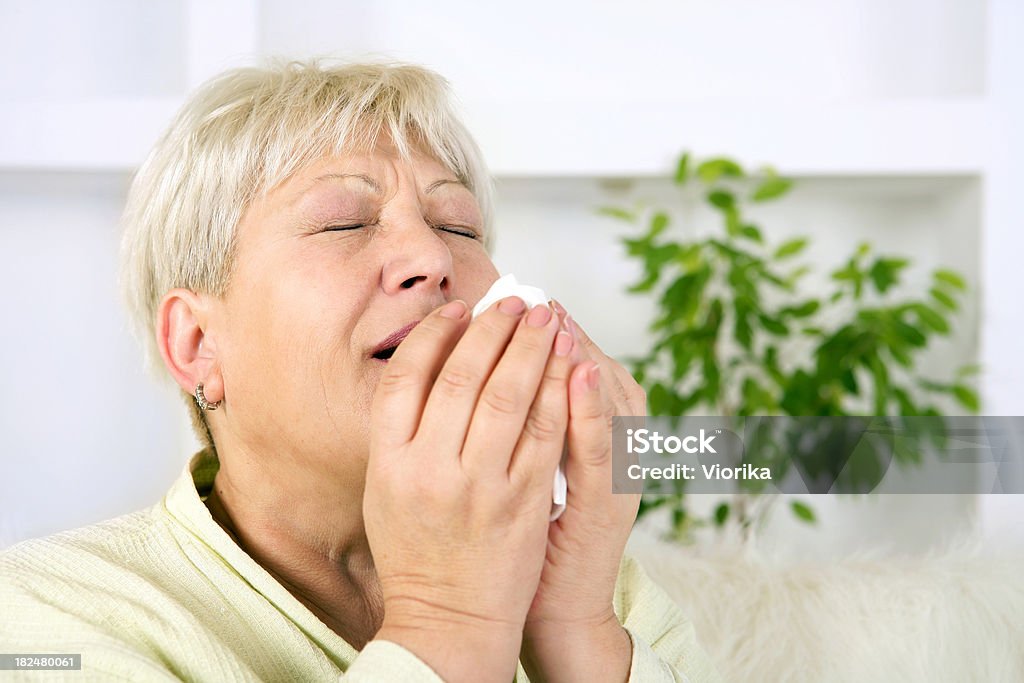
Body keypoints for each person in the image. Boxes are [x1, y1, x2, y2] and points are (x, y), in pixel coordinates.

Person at [0, 60, 719, 682]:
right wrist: (450, 615)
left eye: (458, 226)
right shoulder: (41, 612)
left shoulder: (599, 590)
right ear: (196, 344)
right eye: (345, 221)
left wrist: (573, 627)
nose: (433, 259)